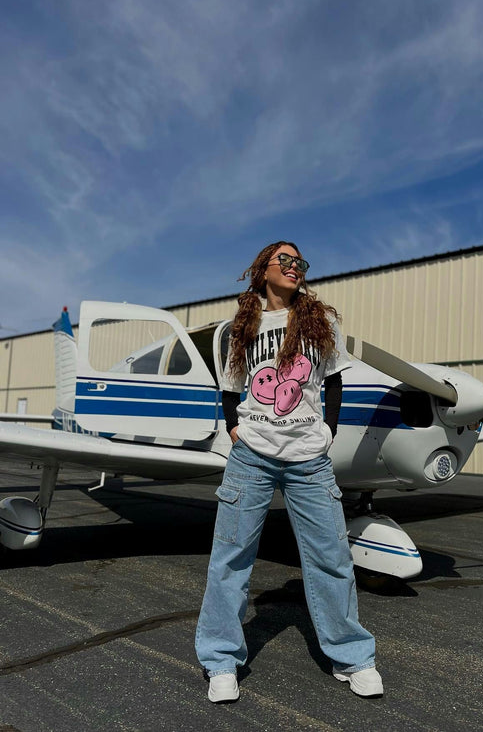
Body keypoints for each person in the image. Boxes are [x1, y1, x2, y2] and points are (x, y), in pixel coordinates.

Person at [195, 241, 382, 703]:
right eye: (286, 260)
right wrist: (235, 430)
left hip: (309, 460)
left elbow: (334, 380)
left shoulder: (321, 321)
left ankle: (353, 657)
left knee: (332, 560)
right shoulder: (240, 327)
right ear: (262, 271)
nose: (295, 267)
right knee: (230, 560)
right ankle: (220, 660)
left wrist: (328, 432)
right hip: (251, 457)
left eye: (301, 262)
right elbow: (230, 388)